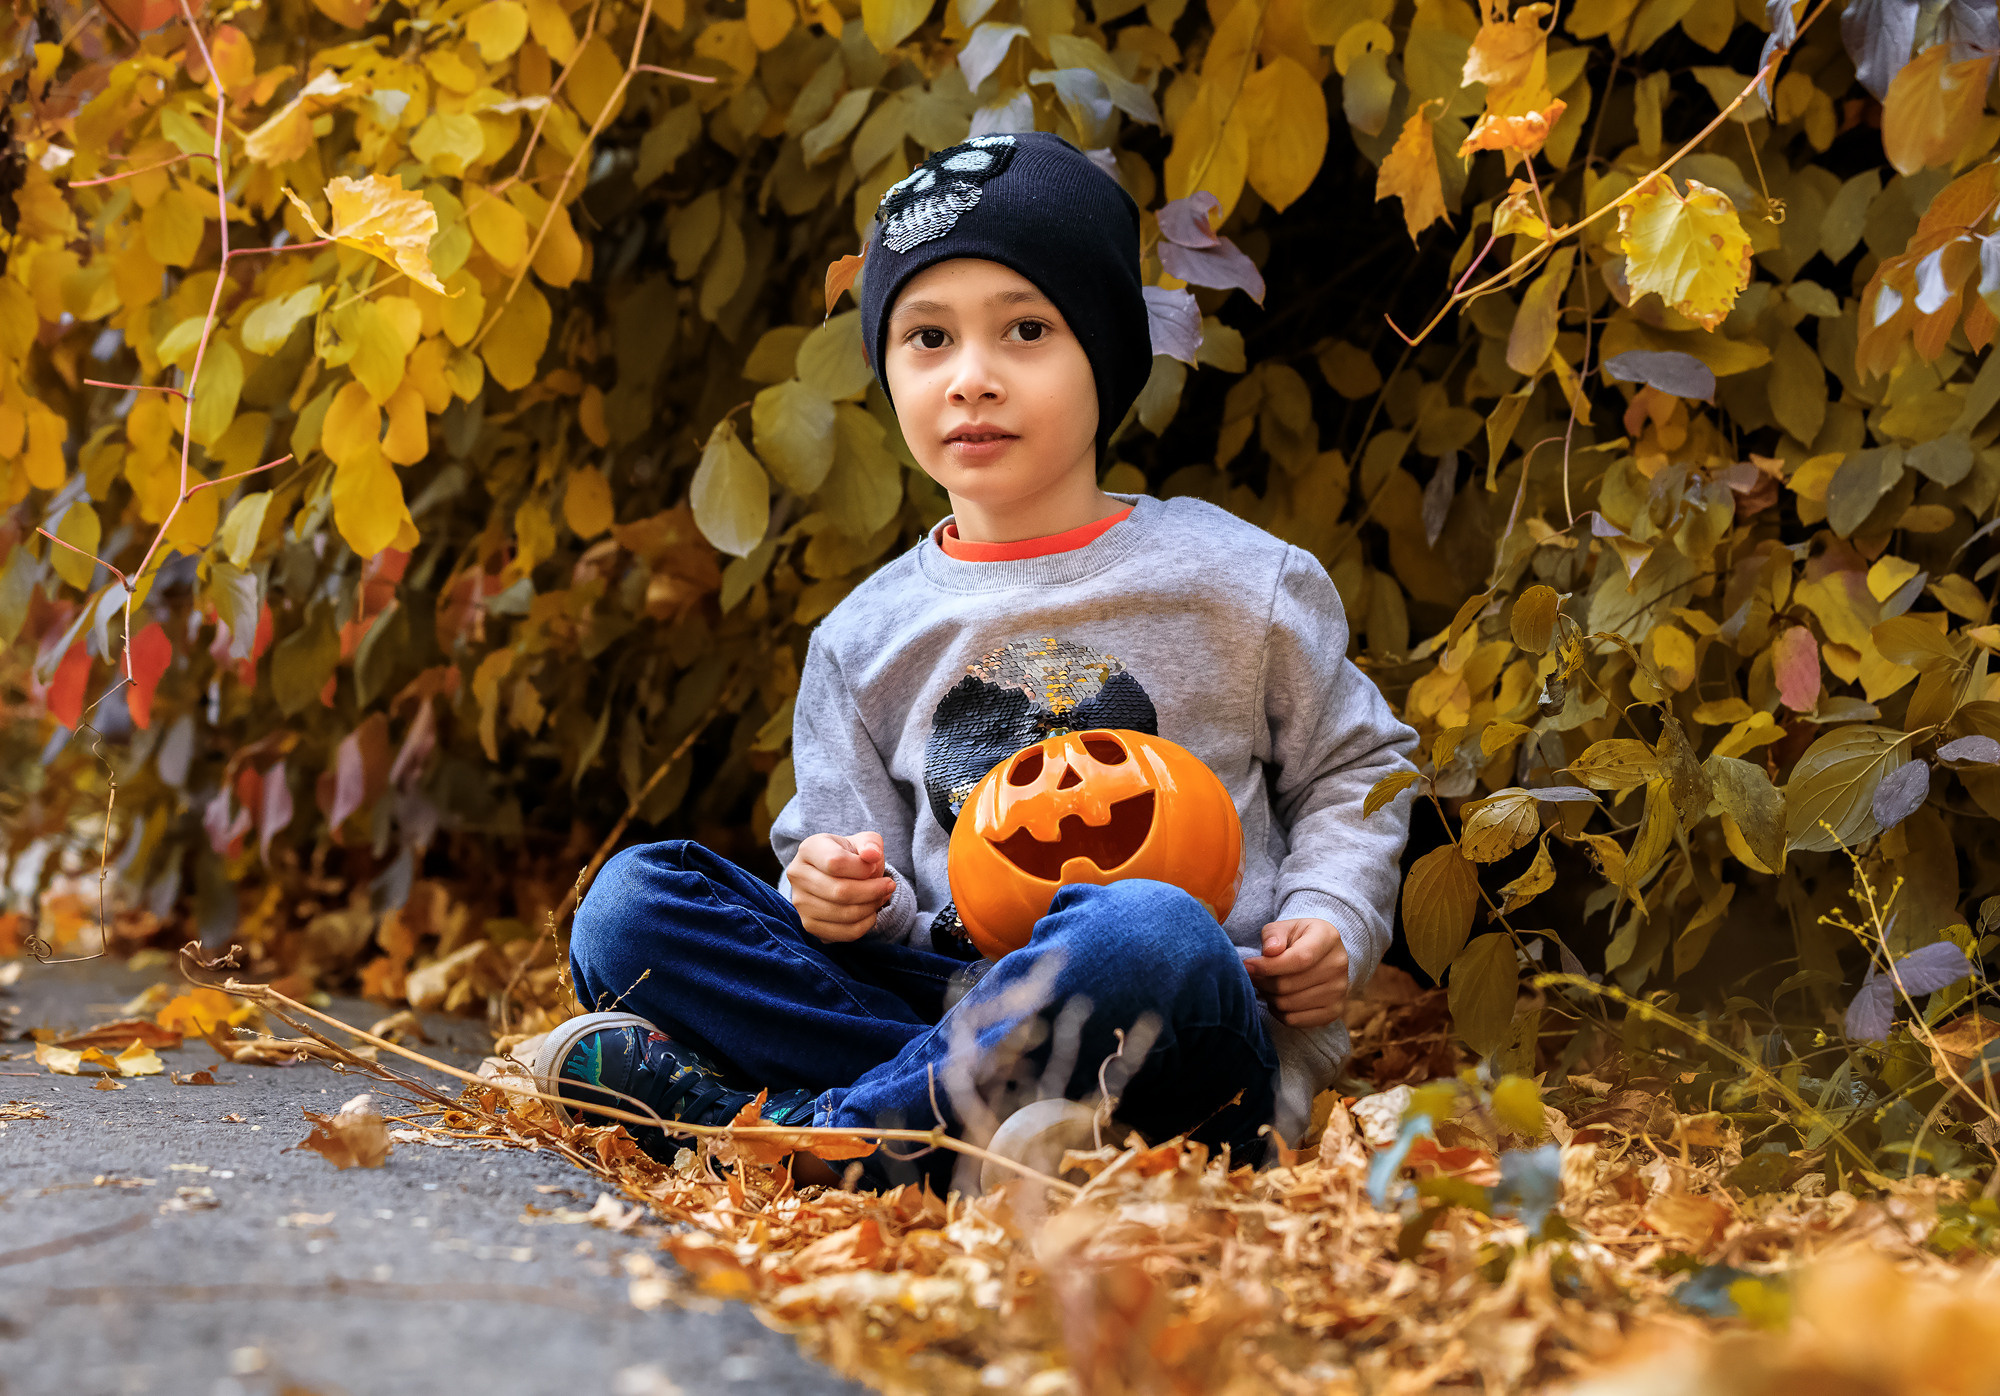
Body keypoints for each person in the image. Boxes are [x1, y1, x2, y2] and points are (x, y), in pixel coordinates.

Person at [534, 132, 1418, 1191]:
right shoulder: (864, 638)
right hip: (936, 1002)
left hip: (1181, 1022)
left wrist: (1330, 918)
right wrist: (834, 893)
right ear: (888, 371)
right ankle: (966, 1139)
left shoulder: (1239, 581)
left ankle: (807, 1136)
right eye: (927, 339)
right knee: (631, 903)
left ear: (1102, 352)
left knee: (1145, 924)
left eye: (1026, 330)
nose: (972, 379)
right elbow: (845, 876)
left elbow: (1355, 770)